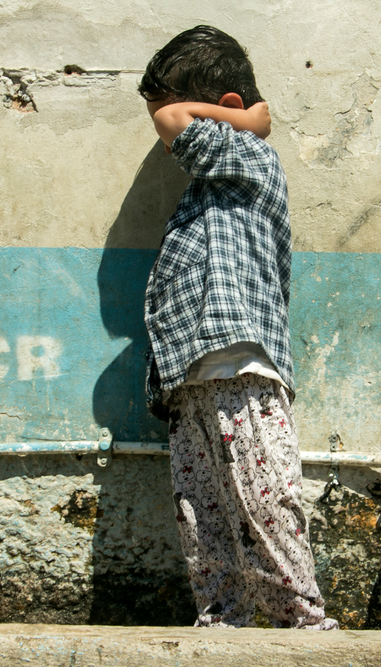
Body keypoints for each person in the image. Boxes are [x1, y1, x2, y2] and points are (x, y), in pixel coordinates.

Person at [137, 25, 337, 630]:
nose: (169, 135)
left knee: (265, 503)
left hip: (239, 365)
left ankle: (304, 627)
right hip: (193, 374)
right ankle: (223, 623)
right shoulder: (211, 182)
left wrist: (250, 120)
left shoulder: (249, 156)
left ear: (225, 112)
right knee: (203, 511)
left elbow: (173, 118)